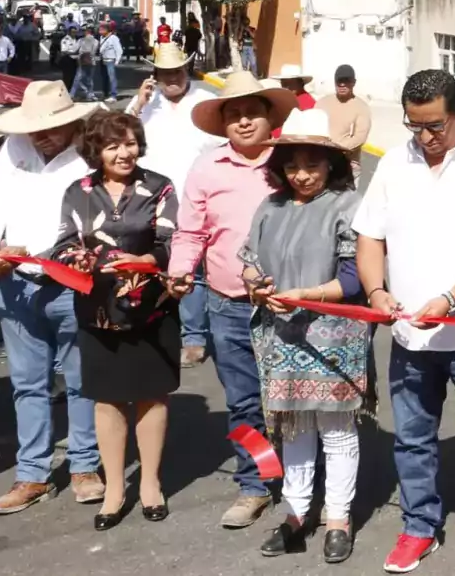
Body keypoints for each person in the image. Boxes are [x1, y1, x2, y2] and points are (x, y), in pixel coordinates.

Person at [354, 69, 455, 576]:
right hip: (410, 335)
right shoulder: (394, 164)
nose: (426, 137)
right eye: (415, 126)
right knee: (412, 439)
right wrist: (377, 291)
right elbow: (369, 237)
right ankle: (418, 527)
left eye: (436, 126)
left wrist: (451, 298)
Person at [168, 71, 296, 529]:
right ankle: (256, 483)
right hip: (227, 304)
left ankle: (304, 483)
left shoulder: (291, 163)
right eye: (234, 115)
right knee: (244, 402)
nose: (243, 123)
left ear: (270, 118)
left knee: (294, 398)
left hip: (289, 306)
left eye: (252, 114)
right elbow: (191, 232)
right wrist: (181, 269)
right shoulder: (206, 168)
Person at [239, 109, 367, 565]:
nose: (302, 174)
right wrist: (258, 285)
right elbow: (249, 261)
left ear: (331, 164)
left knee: (335, 426)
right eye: (293, 165)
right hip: (282, 333)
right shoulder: (269, 207)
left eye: (312, 164)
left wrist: (307, 295)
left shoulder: (347, 206)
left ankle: (338, 517)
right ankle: (295, 511)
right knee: (294, 426)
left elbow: (354, 278)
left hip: (334, 335)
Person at [0, 81, 104, 514]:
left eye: (50, 127)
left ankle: (86, 466)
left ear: (70, 122)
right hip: (15, 281)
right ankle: (32, 474)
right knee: (27, 384)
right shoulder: (13, 148)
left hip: (71, 281)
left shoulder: (90, 153)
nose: (41, 135)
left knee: (82, 378)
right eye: (36, 128)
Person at [51, 111, 179, 530]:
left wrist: (147, 260)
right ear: (95, 152)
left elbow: (172, 241)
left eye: (130, 143)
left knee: (151, 395)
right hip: (98, 310)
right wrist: (88, 260)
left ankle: (150, 483)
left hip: (151, 307)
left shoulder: (159, 187)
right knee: (107, 400)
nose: (124, 153)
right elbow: (64, 246)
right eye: (112, 146)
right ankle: (113, 489)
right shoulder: (78, 191)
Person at [126, 44, 221, 369]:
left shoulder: (205, 100)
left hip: (200, 199)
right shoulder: (146, 104)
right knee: (157, 268)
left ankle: (194, 337)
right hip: (153, 200)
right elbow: (117, 135)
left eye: (177, 72)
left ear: (187, 70)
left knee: (193, 269)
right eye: (165, 74)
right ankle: (156, 330)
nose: (172, 79)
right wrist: (138, 104)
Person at [316, 64, 373, 169]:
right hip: (321, 161)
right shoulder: (322, 103)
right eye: (339, 81)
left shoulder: (362, 107)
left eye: (346, 81)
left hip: (348, 164)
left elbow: (360, 137)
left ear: (354, 83)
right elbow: (313, 128)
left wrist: (335, 149)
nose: (342, 84)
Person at [73, 26, 101, 102]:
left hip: (82, 61)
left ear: (87, 32)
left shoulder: (81, 40)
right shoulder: (96, 41)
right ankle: (90, 94)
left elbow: (74, 49)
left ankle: (72, 94)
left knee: (77, 79)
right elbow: (93, 51)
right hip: (92, 61)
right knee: (90, 79)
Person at [98, 21, 123, 104]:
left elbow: (119, 50)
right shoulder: (102, 37)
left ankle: (113, 95)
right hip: (103, 60)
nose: (99, 30)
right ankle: (105, 93)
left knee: (112, 78)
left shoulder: (114, 38)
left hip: (110, 60)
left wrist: (117, 61)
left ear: (107, 30)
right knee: (104, 78)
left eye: (101, 29)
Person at [58, 26, 80, 91]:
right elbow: (64, 51)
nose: (74, 33)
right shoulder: (65, 40)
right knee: (67, 77)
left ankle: (71, 92)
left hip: (75, 60)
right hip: (67, 60)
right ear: (69, 32)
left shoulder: (76, 39)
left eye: (75, 32)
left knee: (74, 77)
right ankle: (65, 91)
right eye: (73, 32)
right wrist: (74, 52)